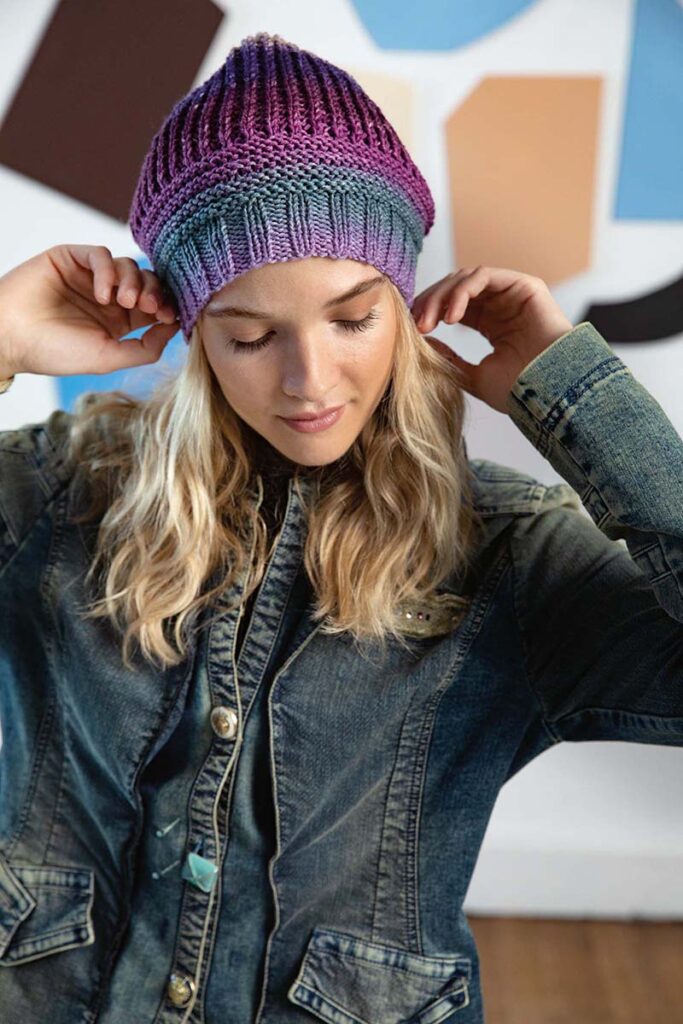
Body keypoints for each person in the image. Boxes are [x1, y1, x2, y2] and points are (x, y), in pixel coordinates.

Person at [0, 30, 681, 1024]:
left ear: (402, 308)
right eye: (249, 335)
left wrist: (575, 395)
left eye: (352, 318)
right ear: (195, 334)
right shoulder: (56, 498)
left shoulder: (505, 555)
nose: (308, 381)